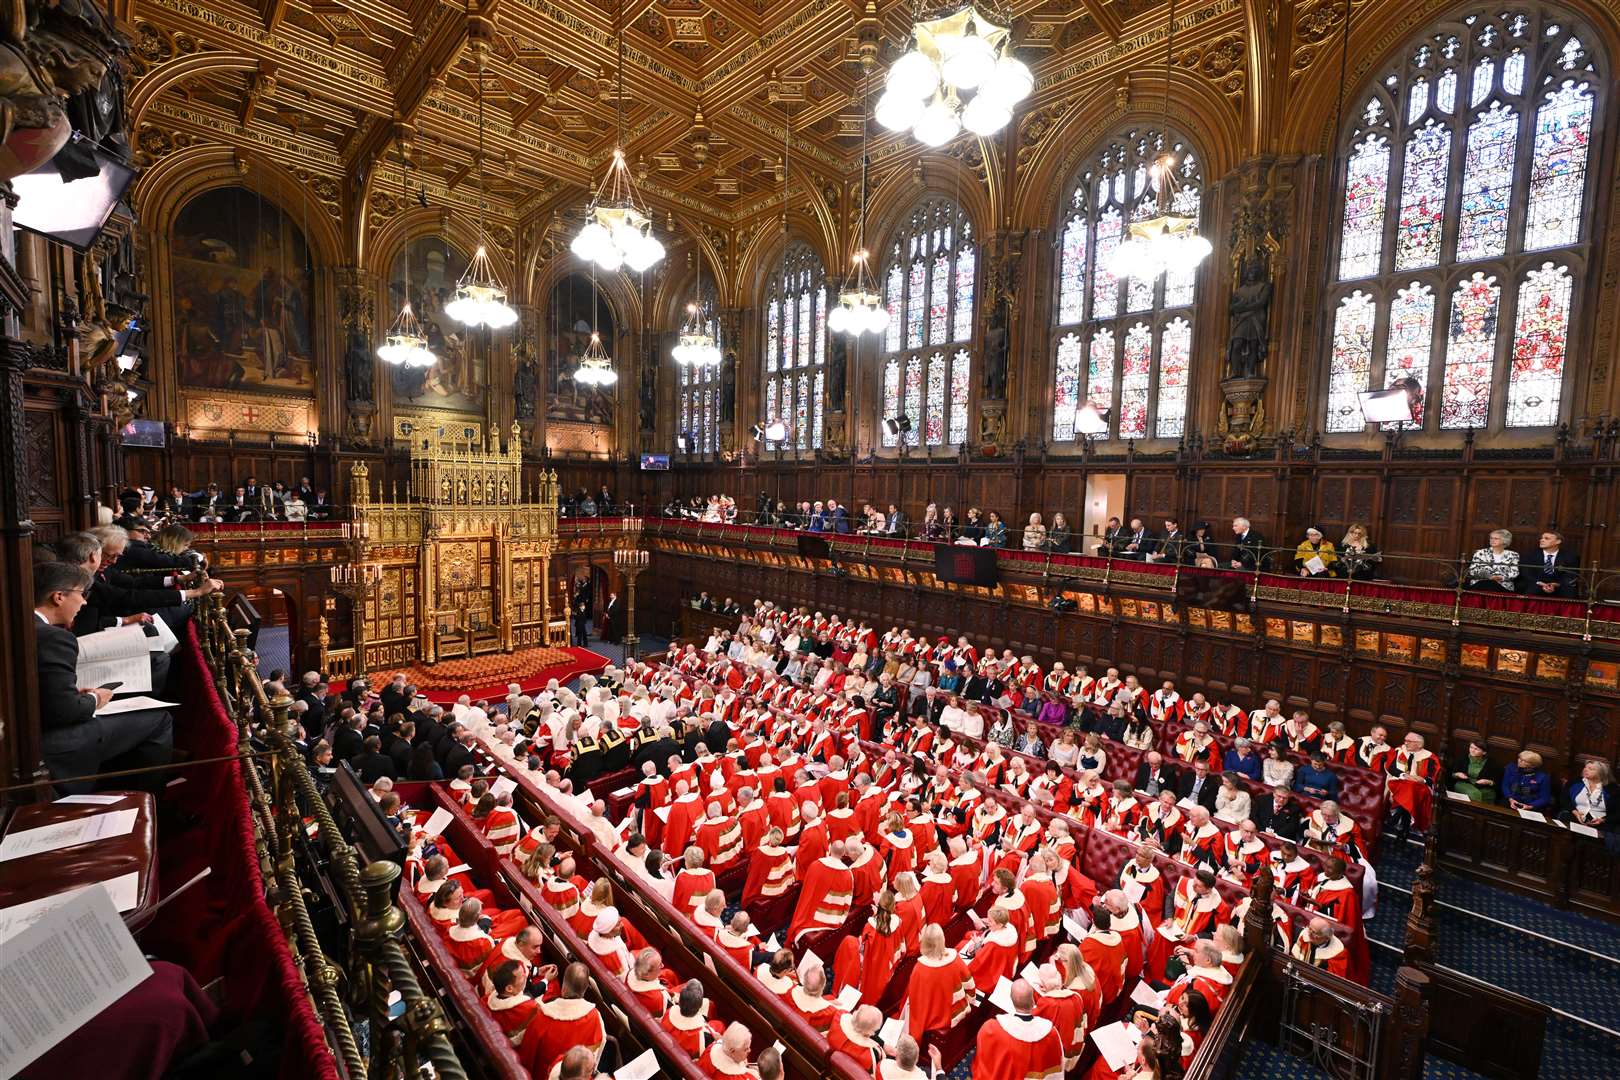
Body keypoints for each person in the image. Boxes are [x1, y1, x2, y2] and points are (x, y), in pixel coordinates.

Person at [34, 561, 175, 794]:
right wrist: (95, 699)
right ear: (59, 596)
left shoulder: (21, 625)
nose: (85, 601)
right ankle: (139, 799)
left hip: (31, 729)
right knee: (160, 719)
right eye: (82, 594)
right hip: (47, 743)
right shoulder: (52, 637)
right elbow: (65, 712)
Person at [973, 979, 1066, 1080]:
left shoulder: (991, 1029)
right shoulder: (1051, 1033)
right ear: (1033, 1001)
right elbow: (1057, 1066)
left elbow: (984, 1062)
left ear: (1011, 999)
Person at [1522, 530, 1580, 598]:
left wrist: (1556, 584)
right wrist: (1540, 584)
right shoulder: (1530, 555)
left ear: (1558, 541)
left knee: (1569, 591)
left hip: (1559, 584)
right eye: (1541, 538)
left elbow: (1571, 575)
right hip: (1537, 583)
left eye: (1546, 538)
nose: (1542, 540)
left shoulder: (1570, 556)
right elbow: (1526, 573)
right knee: (1529, 588)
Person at [1563, 760, 1617, 830]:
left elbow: (1617, 813)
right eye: (1585, 767)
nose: (1585, 770)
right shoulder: (1574, 782)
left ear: (1601, 773)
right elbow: (1564, 799)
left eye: (1590, 769)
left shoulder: (1613, 789)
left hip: (1601, 824)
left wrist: (1603, 820)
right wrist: (1575, 812)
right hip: (1574, 818)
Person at [1445, 739, 1502, 803]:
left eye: (1476, 749)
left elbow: (1496, 781)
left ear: (1484, 752)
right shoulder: (1463, 758)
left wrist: (1489, 782)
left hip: (1482, 786)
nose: (1472, 750)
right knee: (1474, 793)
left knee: (1490, 794)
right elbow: (1450, 774)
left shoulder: (1491, 763)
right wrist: (1457, 774)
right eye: (1471, 747)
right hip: (1464, 783)